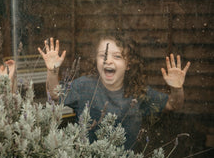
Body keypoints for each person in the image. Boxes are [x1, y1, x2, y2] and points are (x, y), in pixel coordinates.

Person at [38, 33, 191, 149]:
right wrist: (52, 71)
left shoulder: (138, 92)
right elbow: (55, 95)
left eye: (117, 56)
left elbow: (173, 105)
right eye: (102, 56)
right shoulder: (84, 86)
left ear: (128, 64)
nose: (108, 61)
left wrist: (177, 88)